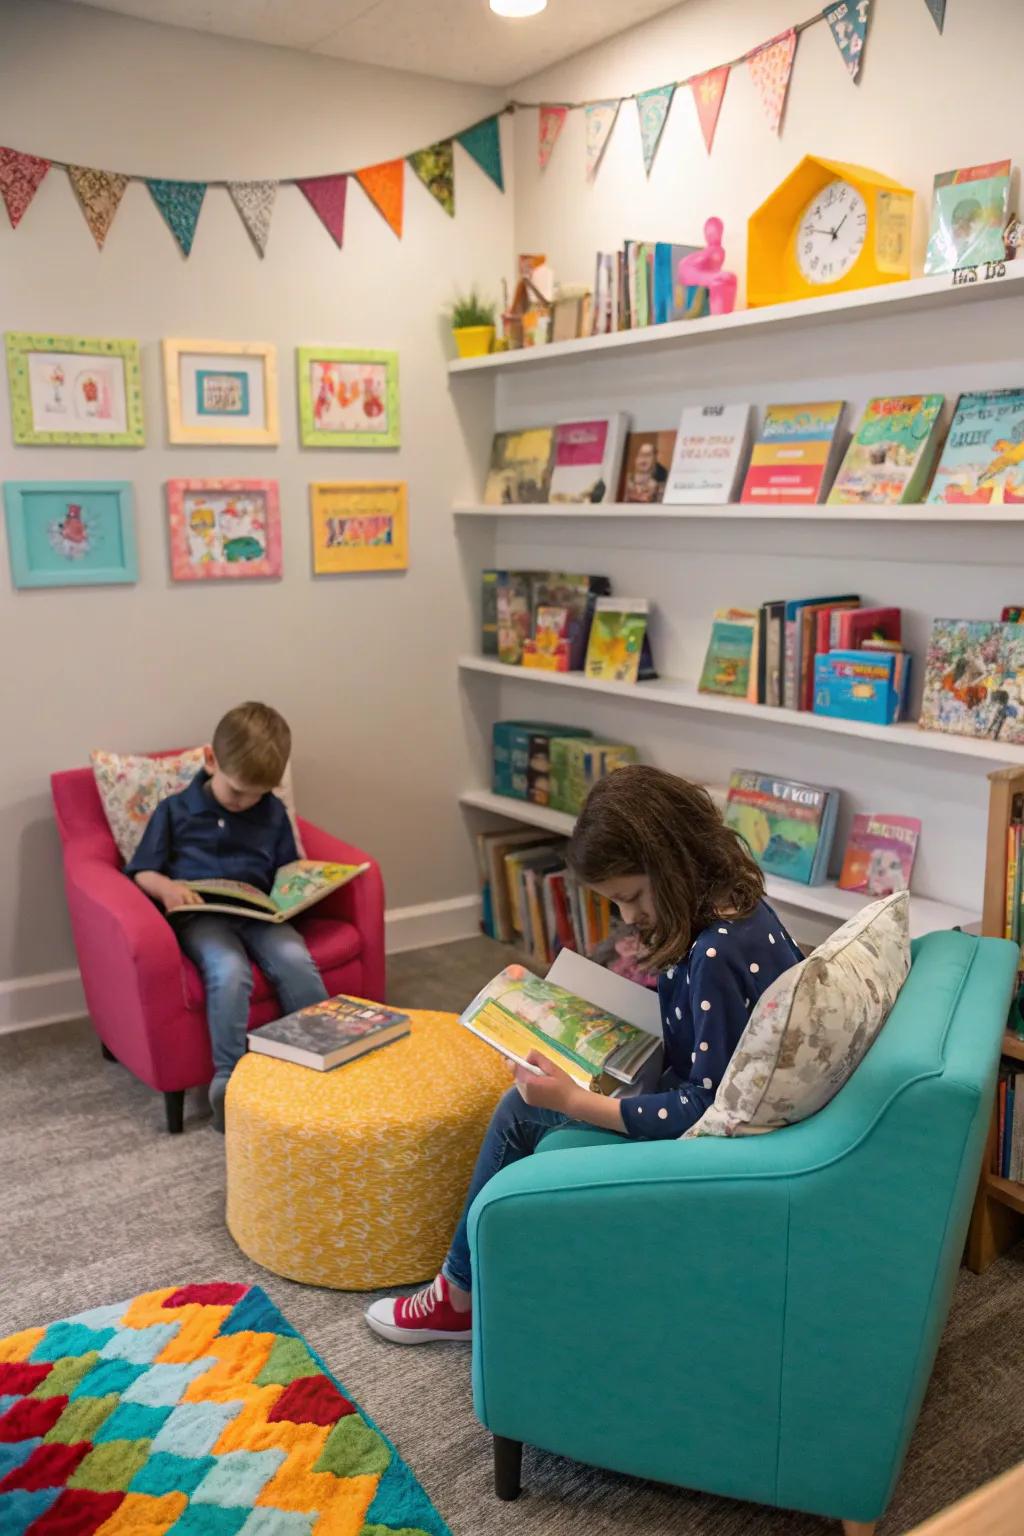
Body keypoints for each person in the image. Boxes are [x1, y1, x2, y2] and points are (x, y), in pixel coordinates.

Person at [365, 765, 803, 1344]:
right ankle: (474, 1279)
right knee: (542, 1073)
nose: (627, 916)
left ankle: (459, 1295)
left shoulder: (718, 951)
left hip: (704, 1147)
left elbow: (703, 1107)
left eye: (631, 897)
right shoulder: (736, 908)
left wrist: (574, 1101)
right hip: (689, 1087)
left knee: (521, 1109)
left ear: (671, 861)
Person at [125, 702, 327, 1131]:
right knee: (228, 968)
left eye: (257, 794)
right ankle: (229, 1079)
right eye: (238, 792)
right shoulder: (175, 811)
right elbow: (143, 870)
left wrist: (299, 892)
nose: (246, 802)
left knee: (295, 959)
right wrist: (168, 889)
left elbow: (288, 869)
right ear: (211, 760)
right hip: (203, 917)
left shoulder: (270, 810)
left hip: (260, 914)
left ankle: (321, 1056)